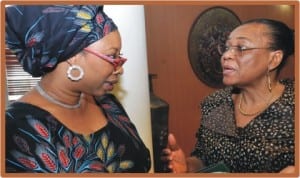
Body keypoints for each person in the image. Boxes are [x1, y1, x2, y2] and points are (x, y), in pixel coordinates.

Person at [5, 5, 151, 173]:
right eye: (112, 56)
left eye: (120, 57)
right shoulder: (14, 129)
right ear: (72, 56)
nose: (120, 69)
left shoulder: (109, 105)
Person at [162, 18, 295, 173]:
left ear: (273, 59)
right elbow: (203, 158)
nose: (226, 55)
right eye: (227, 48)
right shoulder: (215, 103)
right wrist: (187, 166)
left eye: (241, 47)